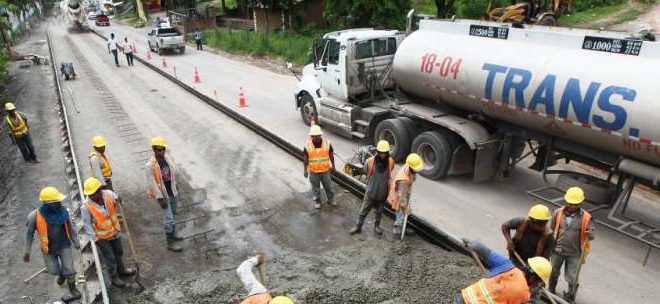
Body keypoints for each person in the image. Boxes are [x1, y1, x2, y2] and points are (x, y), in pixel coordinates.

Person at [24, 187, 82, 300]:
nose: (60, 203)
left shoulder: (63, 212)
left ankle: (72, 287)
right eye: (57, 202)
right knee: (53, 270)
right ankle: (61, 274)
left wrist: (75, 241)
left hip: (64, 245)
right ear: (47, 204)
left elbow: (70, 227)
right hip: (48, 249)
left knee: (69, 269)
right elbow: (29, 234)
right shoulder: (34, 216)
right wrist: (27, 251)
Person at [456, 240, 552, 304]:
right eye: (538, 282)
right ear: (533, 278)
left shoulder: (506, 264)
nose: (537, 285)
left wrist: (470, 243)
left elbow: (482, 249)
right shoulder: (524, 294)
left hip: (463, 298)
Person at [81, 177, 135, 287]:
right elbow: (86, 224)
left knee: (119, 252)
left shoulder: (109, 194)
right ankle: (114, 276)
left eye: (93, 193)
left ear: (99, 190)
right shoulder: (86, 206)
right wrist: (94, 239)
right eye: (89, 194)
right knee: (110, 257)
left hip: (115, 231)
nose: (91, 196)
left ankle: (122, 270)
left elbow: (119, 202)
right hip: (102, 238)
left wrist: (120, 200)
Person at [548, 187, 595, 302]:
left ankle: (570, 296)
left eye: (575, 204)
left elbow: (592, 234)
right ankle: (551, 290)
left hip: (575, 253)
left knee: (573, 278)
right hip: (558, 250)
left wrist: (590, 234)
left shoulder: (586, 217)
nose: (572, 206)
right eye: (570, 203)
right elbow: (550, 229)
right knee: (553, 272)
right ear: (566, 201)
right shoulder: (558, 212)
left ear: (580, 203)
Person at [501, 204, 555, 303]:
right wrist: (509, 241)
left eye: (545, 224)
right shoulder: (521, 222)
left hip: (532, 267)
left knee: (528, 290)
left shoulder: (549, 236)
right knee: (510, 282)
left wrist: (541, 279)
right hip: (516, 260)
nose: (543, 227)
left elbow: (545, 259)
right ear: (531, 221)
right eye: (540, 224)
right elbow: (505, 226)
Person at [145, 137, 183, 252]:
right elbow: (152, 183)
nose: (161, 152)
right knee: (169, 218)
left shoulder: (167, 158)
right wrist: (160, 198)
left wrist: (175, 183)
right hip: (163, 195)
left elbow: (172, 172)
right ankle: (169, 243)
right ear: (154, 149)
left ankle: (173, 235)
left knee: (173, 214)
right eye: (159, 149)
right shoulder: (150, 165)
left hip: (172, 191)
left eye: (163, 149)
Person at [349, 140, 394, 235]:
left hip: (383, 193)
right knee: (363, 210)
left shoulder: (390, 162)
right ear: (377, 151)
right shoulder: (369, 162)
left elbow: (389, 175)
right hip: (370, 192)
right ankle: (358, 226)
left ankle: (377, 226)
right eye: (380, 152)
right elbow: (365, 172)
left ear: (387, 153)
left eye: (384, 153)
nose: (382, 155)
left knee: (379, 212)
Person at [387, 153, 424, 237]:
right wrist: (405, 208)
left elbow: (412, 177)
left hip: (403, 193)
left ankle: (402, 227)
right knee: (400, 215)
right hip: (398, 197)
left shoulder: (408, 167)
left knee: (404, 213)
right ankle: (397, 231)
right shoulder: (403, 181)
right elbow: (402, 200)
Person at [303, 125, 336, 209]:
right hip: (314, 171)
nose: (316, 137)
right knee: (315, 188)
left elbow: (331, 155)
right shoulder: (307, 145)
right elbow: (305, 158)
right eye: (314, 136)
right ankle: (317, 201)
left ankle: (330, 200)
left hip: (325, 170)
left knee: (328, 186)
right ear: (311, 136)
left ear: (320, 135)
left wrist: (333, 166)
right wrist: (305, 170)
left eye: (318, 136)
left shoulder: (327, 143)